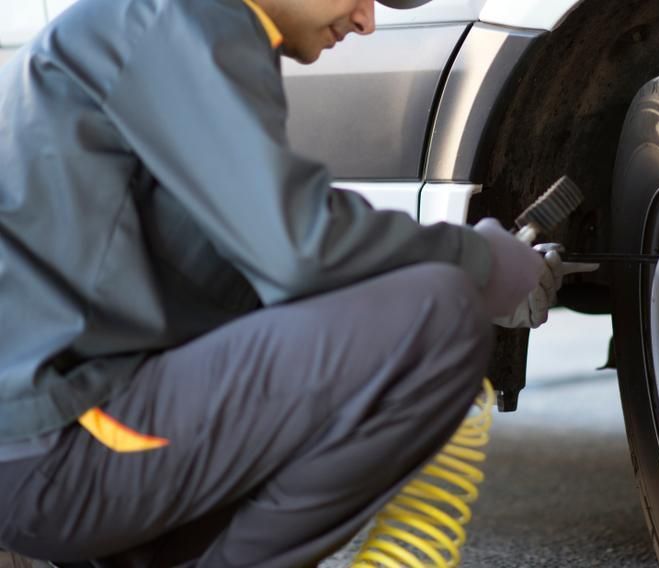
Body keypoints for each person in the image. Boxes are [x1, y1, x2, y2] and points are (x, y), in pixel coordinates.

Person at [0, 0, 595, 565]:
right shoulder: (185, 17)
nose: (366, 22)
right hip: (61, 442)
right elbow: (299, 249)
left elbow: (258, 265)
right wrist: (479, 261)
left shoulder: (155, 26)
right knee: (434, 317)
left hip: (47, 440)